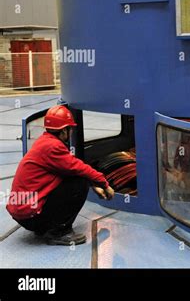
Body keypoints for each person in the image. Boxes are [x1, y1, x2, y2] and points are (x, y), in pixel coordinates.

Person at [7, 105, 115, 246]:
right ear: (64, 130)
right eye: (70, 129)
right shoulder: (53, 147)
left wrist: (93, 184)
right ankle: (58, 232)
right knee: (79, 182)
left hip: (24, 213)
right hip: (30, 216)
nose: (71, 132)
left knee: (77, 177)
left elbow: (68, 169)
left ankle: (45, 226)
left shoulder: (44, 141)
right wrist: (104, 184)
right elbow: (79, 168)